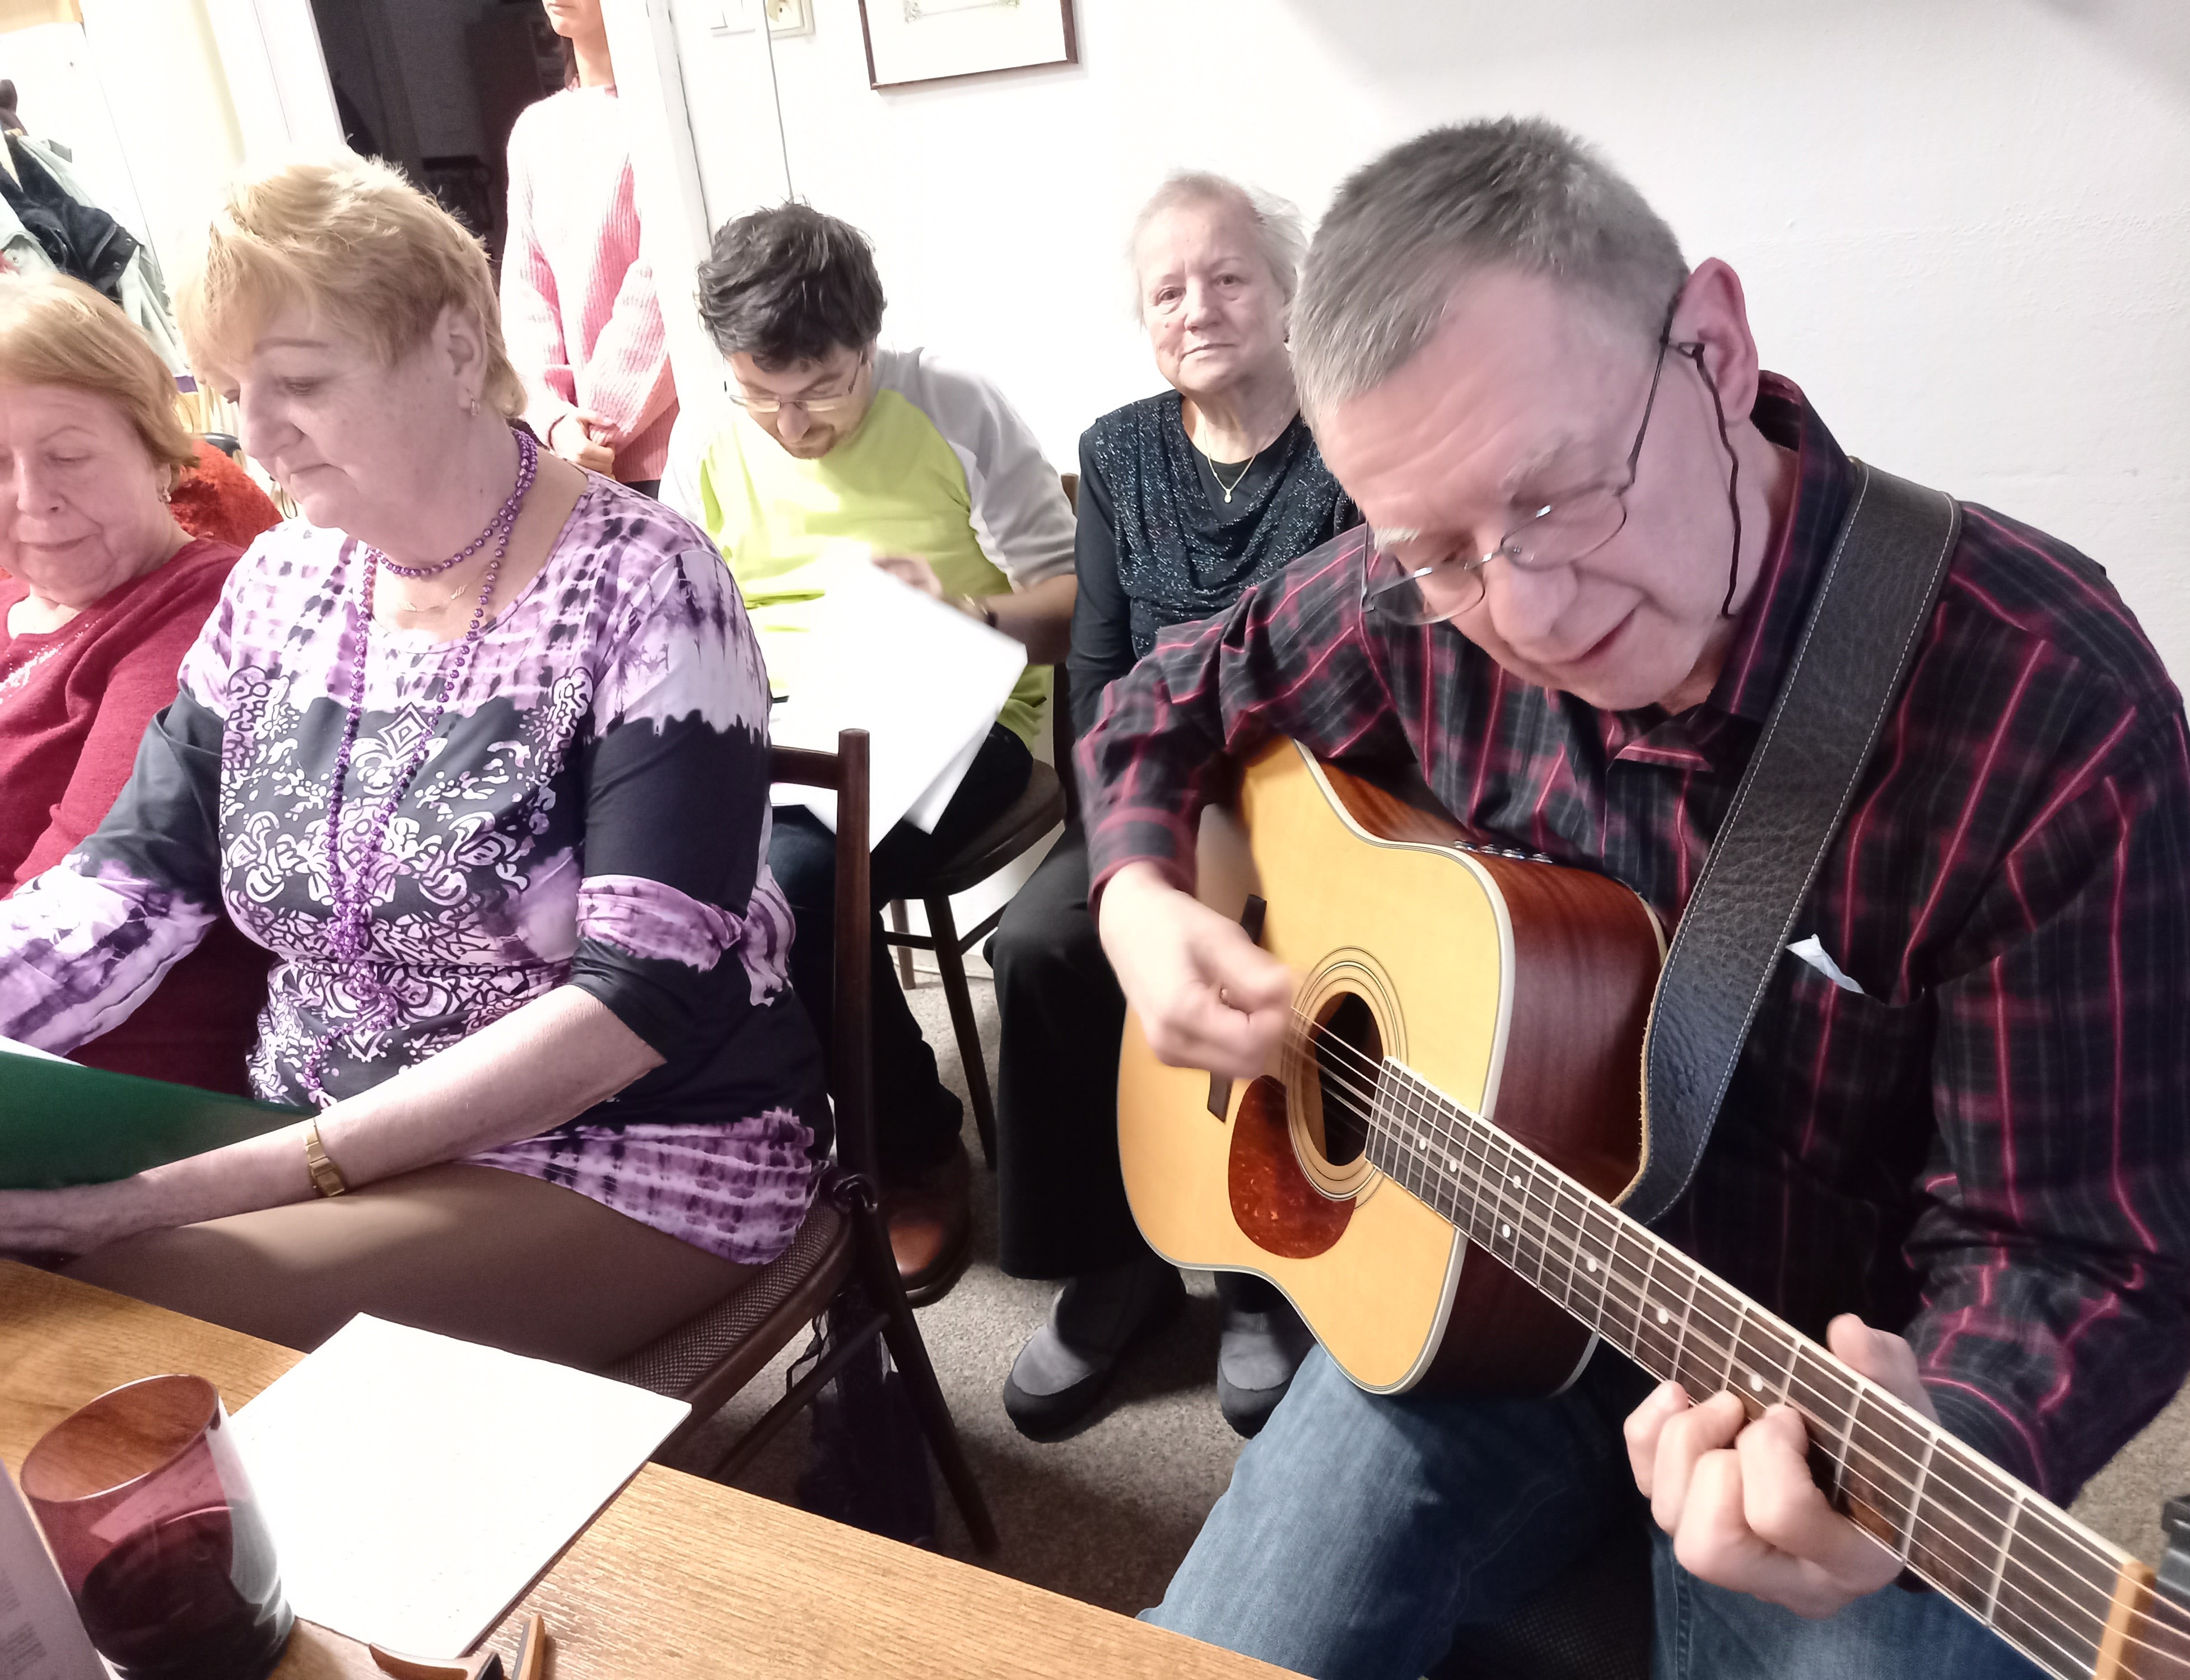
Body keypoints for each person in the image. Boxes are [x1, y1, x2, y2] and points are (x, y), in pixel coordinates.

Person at [1083, 119, 2190, 1680]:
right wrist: (1139, 901)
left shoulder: (2048, 704)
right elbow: (1160, 698)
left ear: (1714, 347)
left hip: (1824, 1403)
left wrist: (1943, 1437)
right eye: (1438, 553)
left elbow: (2091, 1250)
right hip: (1473, 1290)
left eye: (1558, 496)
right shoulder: (1411, 598)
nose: (1526, 610)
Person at [0, 155, 821, 1371]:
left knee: (111, 1328)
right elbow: (134, 884)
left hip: (622, 1148)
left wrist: (202, 1189)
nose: (253, 434)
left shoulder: (648, 583)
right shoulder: (279, 582)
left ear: (454, 349)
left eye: (300, 384)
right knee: (63, 1302)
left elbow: (631, 1009)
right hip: (311, 1125)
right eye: (232, 390)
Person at [995, 174, 1356, 1440]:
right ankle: (1115, 1265)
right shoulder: (1116, 451)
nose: (1196, 308)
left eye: (1227, 277)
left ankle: (1254, 1263)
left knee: (1269, 951)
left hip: (1308, 800)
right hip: (1145, 786)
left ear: (1288, 294)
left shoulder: (1349, 438)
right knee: (1039, 943)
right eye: (1167, 291)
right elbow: (1097, 670)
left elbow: (1371, 672)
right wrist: (1136, 827)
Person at [681, 202, 1077, 1304]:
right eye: (758, 392)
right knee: (659, 872)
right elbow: (679, 613)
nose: (789, 425)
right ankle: (773, 1140)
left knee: (793, 882)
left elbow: (1076, 600)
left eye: (820, 390)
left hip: (958, 714)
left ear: (869, 343)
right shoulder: (711, 440)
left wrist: (962, 613)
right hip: (777, 725)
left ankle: (908, 1150)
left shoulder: (951, 405)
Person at [0, 274, 271, 1095]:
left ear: (157, 451)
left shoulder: (210, 610)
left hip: (97, 1093)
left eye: (68, 456)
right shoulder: (12, 604)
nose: (34, 499)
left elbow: (67, 912)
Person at [501, 0, 678, 496]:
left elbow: (664, 283)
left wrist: (593, 430)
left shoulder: (663, 114)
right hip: (571, 454)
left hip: (669, 453)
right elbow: (526, 293)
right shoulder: (535, 131)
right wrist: (554, 419)